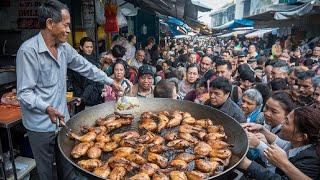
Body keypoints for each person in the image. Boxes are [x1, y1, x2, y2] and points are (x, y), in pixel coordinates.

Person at [16, 1, 122, 179]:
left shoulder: (64, 48)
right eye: (65, 25)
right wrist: (46, 107)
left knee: (68, 170)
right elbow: (24, 93)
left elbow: (86, 66)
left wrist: (109, 81)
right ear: (50, 23)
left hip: (62, 121)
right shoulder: (28, 51)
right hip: (40, 126)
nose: (68, 30)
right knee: (46, 173)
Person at [239, 106, 320, 179]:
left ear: (301, 137)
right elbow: (285, 145)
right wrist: (262, 130)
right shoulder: (299, 144)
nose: (282, 123)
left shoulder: (309, 162)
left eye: (287, 122)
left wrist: (246, 163)